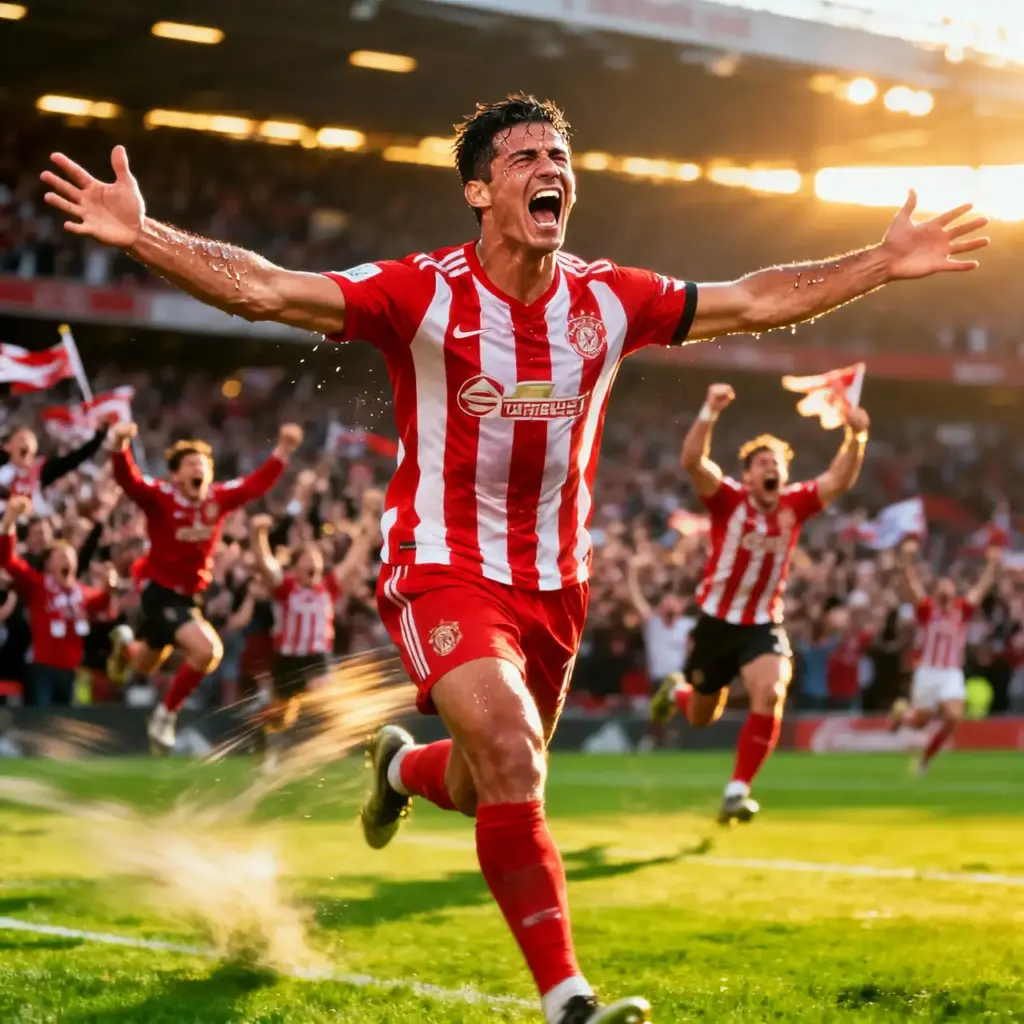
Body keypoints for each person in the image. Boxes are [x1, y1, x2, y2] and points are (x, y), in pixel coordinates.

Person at [40, 92, 987, 1024]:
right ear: (478, 192)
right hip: (443, 565)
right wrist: (143, 235)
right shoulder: (422, 291)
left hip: (557, 586)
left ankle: (401, 770)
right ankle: (568, 1001)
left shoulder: (609, 298)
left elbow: (752, 299)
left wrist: (881, 261)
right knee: (510, 754)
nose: (550, 171)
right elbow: (267, 289)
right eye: (526, 157)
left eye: (559, 158)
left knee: (479, 779)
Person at [650, 383, 870, 824]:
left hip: (762, 622)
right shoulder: (727, 499)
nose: (771, 469)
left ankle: (737, 790)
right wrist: (709, 409)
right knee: (701, 717)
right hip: (715, 622)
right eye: (762, 464)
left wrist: (856, 436)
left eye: (777, 464)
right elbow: (692, 461)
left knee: (770, 693)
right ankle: (677, 692)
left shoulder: (794, 504)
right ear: (748, 476)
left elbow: (838, 480)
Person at [104, 420, 301, 753]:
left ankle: (125, 646)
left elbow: (254, 486)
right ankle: (165, 716)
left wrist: (283, 450)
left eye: (203, 464)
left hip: (189, 596)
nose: (199, 469)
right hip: (159, 591)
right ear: (175, 475)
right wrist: (120, 445)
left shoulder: (216, 499)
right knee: (208, 651)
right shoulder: (161, 497)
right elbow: (129, 481)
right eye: (191, 464)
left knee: (145, 666)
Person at [248, 508, 374, 750]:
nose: (313, 564)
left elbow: (350, 564)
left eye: (316, 560)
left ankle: (329, 741)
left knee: (324, 694)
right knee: (278, 716)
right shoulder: (285, 588)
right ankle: (264, 739)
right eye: (307, 559)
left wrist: (364, 539)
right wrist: (258, 534)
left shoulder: (327, 588)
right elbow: (265, 565)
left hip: (317, 656)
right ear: (296, 567)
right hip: (287, 659)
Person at [890, 541, 1001, 774]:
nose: (946, 588)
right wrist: (906, 558)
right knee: (919, 722)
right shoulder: (927, 609)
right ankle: (902, 716)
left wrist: (992, 564)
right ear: (936, 590)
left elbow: (982, 588)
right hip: (928, 671)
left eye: (949, 585)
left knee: (953, 717)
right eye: (942, 585)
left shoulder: (962, 609)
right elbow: (910, 584)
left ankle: (924, 761)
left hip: (951, 672)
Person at [0, 496, 116, 706]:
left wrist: (109, 586)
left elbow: (103, 606)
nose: (67, 560)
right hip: (42, 668)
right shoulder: (38, 586)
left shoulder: (82, 594)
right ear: (48, 564)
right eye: (61, 556)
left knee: (65, 722)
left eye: (71, 556)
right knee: (41, 720)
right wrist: (9, 521)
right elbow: (8, 560)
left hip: (71, 670)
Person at [626, 554, 695, 712]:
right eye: (666, 603)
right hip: (658, 679)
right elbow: (634, 598)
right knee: (659, 716)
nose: (670, 606)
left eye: (673, 603)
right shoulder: (653, 624)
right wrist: (632, 571)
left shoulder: (688, 625)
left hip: (681, 680)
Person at [0, 421, 113, 511]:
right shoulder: (3, 464)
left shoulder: (40, 472)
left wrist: (99, 437)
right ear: (7, 446)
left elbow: (74, 459)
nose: (24, 454)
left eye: (27, 451)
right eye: (21, 448)